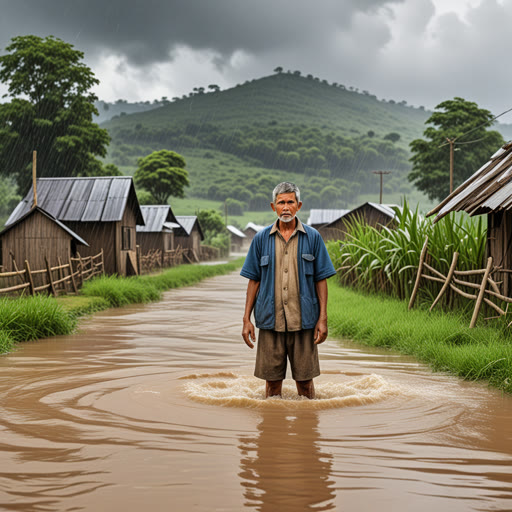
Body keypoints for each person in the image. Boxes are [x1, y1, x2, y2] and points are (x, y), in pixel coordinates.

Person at [240, 182, 337, 399]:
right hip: (269, 321)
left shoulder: (313, 238)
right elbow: (253, 281)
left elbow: (321, 279)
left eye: (290, 202)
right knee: (272, 387)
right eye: (281, 202)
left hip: (304, 322)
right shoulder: (260, 239)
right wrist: (246, 319)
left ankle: (307, 428)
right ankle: (273, 430)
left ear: (299, 205)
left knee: (305, 386)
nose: (285, 207)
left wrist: (323, 319)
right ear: (273, 206)